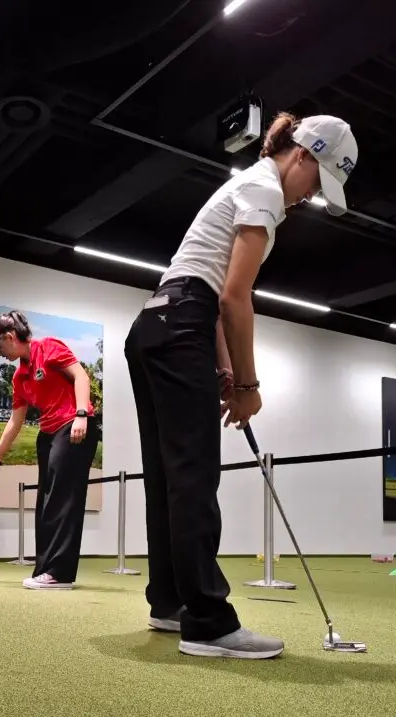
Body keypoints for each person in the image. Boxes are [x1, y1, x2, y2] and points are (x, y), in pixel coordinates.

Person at [123, 112, 358, 658]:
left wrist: (223, 366)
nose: (311, 196)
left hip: (158, 326)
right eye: (317, 181)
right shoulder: (266, 190)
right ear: (302, 154)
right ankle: (208, 623)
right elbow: (234, 297)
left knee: (169, 477)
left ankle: (170, 603)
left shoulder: (245, 185)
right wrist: (249, 386)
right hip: (183, 325)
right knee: (195, 477)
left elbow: (204, 291)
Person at [0, 311, 98, 590]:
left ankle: (60, 573)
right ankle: (45, 569)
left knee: (63, 500)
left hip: (74, 426)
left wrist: (81, 414)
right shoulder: (20, 376)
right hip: (48, 433)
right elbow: (16, 421)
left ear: (10, 337)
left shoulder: (48, 348)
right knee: (45, 503)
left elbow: (81, 377)